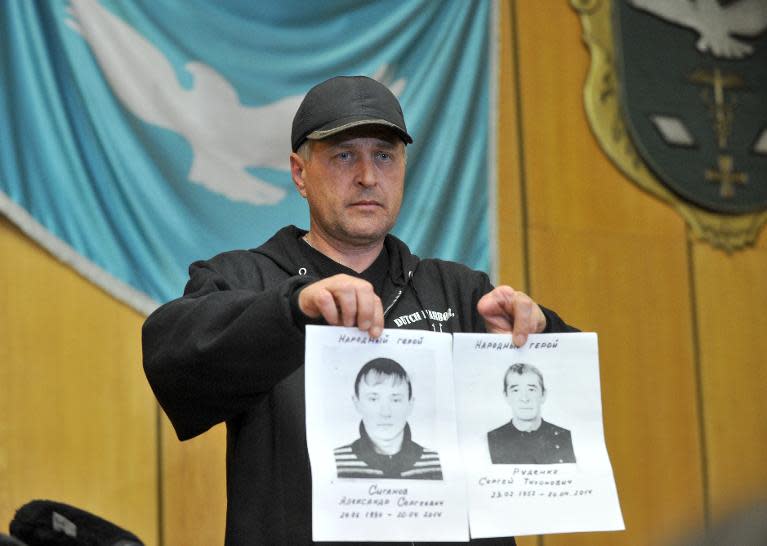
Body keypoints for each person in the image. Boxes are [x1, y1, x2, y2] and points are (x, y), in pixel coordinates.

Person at [142, 75, 578, 545]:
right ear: (299, 172)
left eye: (384, 156)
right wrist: (292, 310)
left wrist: (537, 331)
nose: (368, 176)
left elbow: (571, 404)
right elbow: (172, 358)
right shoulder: (249, 279)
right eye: (345, 155)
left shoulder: (461, 293)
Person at [334, 357, 442, 480]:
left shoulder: (435, 464)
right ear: (357, 403)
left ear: (410, 404)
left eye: (396, 400)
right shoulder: (335, 462)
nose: (385, 413)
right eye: (373, 399)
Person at [487, 363, 576, 465]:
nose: (524, 399)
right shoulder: (493, 439)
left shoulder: (564, 437)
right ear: (506, 396)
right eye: (515, 390)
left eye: (531, 389)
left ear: (543, 395)